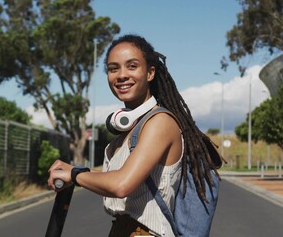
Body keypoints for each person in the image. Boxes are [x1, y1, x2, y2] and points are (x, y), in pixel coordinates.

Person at [48, 34, 222, 237]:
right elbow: (114, 177)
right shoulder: (127, 133)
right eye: (114, 68)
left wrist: (75, 175)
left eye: (132, 66)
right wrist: (75, 171)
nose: (121, 75)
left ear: (150, 73)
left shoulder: (160, 122)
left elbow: (121, 184)